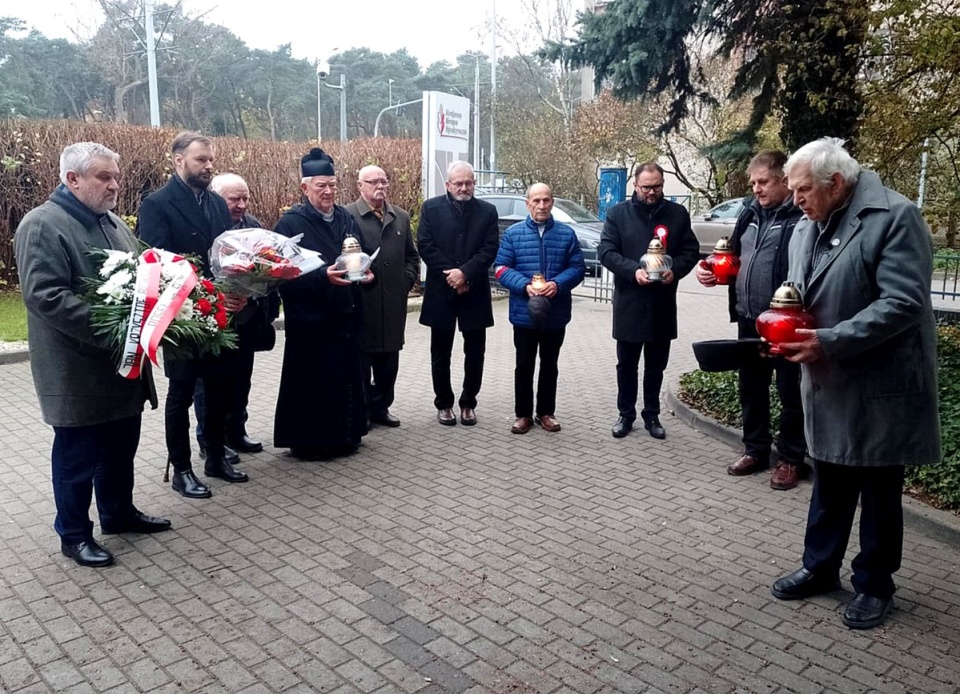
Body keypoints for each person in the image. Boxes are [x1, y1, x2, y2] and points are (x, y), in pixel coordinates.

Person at [770, 137, 940, 630]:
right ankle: (819, 567)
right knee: (829, 479)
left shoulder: (895, 217)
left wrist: (830, 340)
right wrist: (777, 330)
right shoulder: (807, 225)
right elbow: (796, 294)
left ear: (836, 183)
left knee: (879, 489)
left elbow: (905, 302)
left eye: (802, 190)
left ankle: (874, 583)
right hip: (826, 378)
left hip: (877, 382)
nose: (795, 199)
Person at [14, 142, 170, 567]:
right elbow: (44, 296)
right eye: (104, 177)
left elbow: (142, 279)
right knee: (78, 456)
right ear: (73, 179)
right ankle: (74, 534)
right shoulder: (43, 224)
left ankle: (118, 513)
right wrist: (119, 329)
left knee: (121, 446)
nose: (115, 185)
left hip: (122, 365)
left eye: (115, 176)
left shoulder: (114, 223)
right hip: (77, 369)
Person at [137, 131, 250, 498]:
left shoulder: (217, 203)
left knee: (219, 391)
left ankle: (215, 457)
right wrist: (194, 294)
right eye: (201, 159)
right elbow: (156, 261)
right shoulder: (157, 204)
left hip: (217, 313)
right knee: (181, 395)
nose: (208, 166)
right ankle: (181, 468)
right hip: (181, 315)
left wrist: (239, 291)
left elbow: (226, 256)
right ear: (178, 160)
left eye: (211, 160)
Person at [695, 151, 809, 490]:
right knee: (752, 389)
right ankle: (755, 450)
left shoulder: (801, 219)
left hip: (788, 324)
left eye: (763, 182)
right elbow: (735, 258)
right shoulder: (749, 214)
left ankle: (790, 459)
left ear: (784, 181)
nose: (756, 189)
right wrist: (717, 274)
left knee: (792, 394)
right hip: (750, 320)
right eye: (753, 183)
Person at [273, 148, 374, 460]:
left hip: (345, 316)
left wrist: (368, 274)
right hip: (311, 323)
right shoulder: (289, 224)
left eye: (332, 185)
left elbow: (363, 253)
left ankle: (347, 435)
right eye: (321, 186)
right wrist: (321, 279)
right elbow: (280, 275)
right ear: (305, 188)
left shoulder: (345, 217)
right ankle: (311, 443)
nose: (329, 191)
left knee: (346, 378)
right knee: (313, 384)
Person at [599, 162, 700, 439]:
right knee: (627, 365)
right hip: (630, 302)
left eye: (657, 187)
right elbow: (606, 251)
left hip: (661, 304)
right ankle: (625, 415)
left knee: (656, 365)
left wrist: (674, 271)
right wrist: (633, 271)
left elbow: (691, 251)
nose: (651, 192)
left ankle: (652, 416)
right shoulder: (617, 214)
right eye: (646, 187)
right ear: (635, 185)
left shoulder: (677, 214)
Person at [191, 173, 280, 457]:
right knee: (209, 388)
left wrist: (252, 294)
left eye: (245, 198)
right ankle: (210, 441)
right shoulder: (205, 226)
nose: (241, 204)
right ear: (218, 199)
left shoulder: (253, 227)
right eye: (234, 199)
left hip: (247, 319)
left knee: (242, 380)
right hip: (213, 320)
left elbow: (267, 269)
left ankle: (236, 431)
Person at [493, 183, 585, 434]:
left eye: (546, 200)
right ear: (527, 204)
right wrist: (524, 286)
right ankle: (522, 414)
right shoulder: (513, 234)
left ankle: (545, 412)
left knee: (549, 364)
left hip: (555, 313)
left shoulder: (566, 235)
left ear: (552, 202)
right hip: (524, 312)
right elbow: (501, 268)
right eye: (536, 201)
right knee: (524, 365)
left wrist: (558, 284)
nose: (542, 205)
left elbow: (578, 269)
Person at [417, 161, 499, 426]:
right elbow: (425, 246)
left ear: (474, 183)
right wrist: (452, 275)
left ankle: (468, 403)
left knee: (475, 352)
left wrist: (465, 273)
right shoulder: (431, 208)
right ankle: (444, 404)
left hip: (473, 290)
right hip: (442, 291)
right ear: (448, 185)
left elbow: (489, 249)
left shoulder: (487, 211)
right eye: (459, 183)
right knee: (440, 351)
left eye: (469, 183)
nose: (464, 188)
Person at [345, 165, 419, 428]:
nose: (380, 186)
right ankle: (362, 411)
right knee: (363, 361)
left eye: (383, 181)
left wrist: (406, 280)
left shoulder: (398, 215)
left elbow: (412, 255)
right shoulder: (348, 215)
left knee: (389, 361)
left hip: (393, 303)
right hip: (364, 302)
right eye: (373, 182)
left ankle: (381, 406)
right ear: (360, 185)